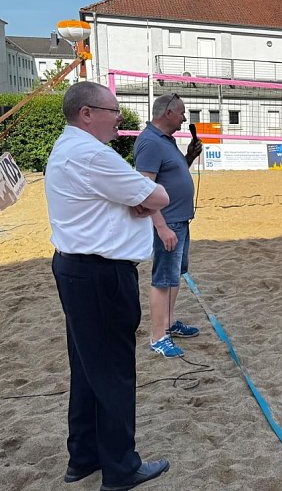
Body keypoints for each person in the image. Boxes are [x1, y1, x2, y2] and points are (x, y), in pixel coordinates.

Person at [46, 82, 171, 489]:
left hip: (77, 270)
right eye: (113, 109)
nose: (120, 116)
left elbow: (137, 195)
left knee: (86, 367)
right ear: (86, 113)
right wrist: (144, 197)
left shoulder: (71, 148)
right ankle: (120, 467)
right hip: (99, 274)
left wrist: (138, 198)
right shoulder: (90, 153)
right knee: (113, 371)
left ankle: (83, 456)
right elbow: (159, 195)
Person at [134, 93, 203, 359]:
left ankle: (169, 323)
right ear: (168, 113)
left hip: (178, 219)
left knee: (174, 275)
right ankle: (158, 337)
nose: (185, 118)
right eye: (182, 112)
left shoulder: (165, 141)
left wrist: (189, 158)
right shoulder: (150, 142)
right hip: (169, 221)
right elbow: (144, 189)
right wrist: (161, 227)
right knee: (163, 279)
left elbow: (171, 175)